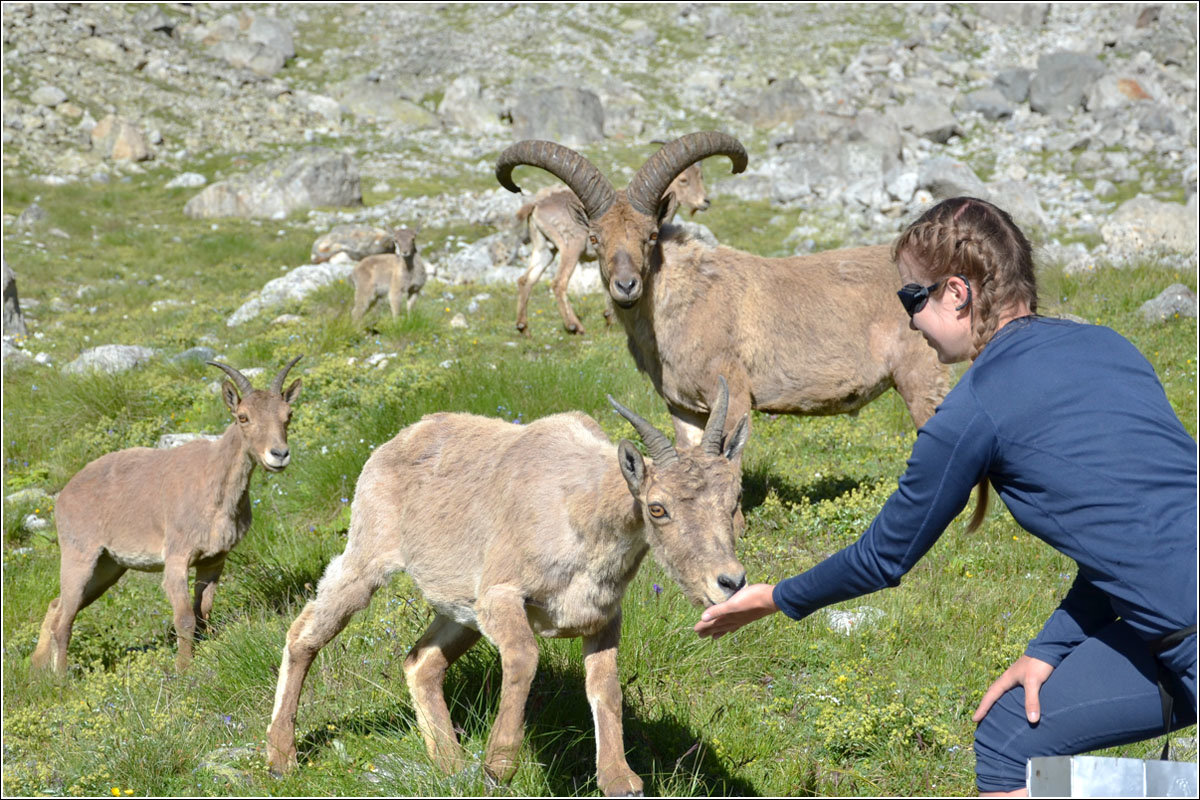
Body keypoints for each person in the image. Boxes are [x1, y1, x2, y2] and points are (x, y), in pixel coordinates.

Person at [693, 196, 1198, 796]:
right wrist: (1047, 650)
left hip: (1183, 631)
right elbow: (1130, 538)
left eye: (912, 299)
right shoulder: (1110, 346)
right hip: (1169, 626)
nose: (908, 320)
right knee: (1011, 732)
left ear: (956, 293)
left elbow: (884, 555)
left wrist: (775, 598)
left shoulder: (974, 406)